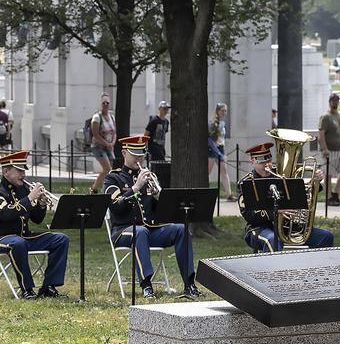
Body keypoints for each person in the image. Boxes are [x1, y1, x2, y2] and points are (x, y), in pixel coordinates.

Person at [103, 135, 200, 299]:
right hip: (123, 230)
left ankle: (189, 284)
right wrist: (135, 188)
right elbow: (116, 207)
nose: (139, 158)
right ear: (124, 153)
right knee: (140, 232)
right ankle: (146, 286)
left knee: (181, 229)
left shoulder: (150, 177)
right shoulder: (113, 178)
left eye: (142, 154)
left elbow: (164, 213)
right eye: (135, 154)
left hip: (151, 229)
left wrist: (158, 197)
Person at [238, 142, 334, 251]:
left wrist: (315, 181)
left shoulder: (280, 175)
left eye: (268, 161)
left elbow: (301, 195)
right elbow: (249, 214)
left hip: (287, 228)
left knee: (326, 237)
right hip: (259, 228)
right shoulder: (246, 183)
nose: (266, 165)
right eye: (261, 162)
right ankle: (274, 268)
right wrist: (276, 211)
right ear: (252, 162)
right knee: (272, 240)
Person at [0, 150, 69, 299]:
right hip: (4, 238)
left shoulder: (23, 189)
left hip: (24, 237)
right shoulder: (1, 191)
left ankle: (49, 287)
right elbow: (5, 214)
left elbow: (36, 219)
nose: (23, 174)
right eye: (19, 171)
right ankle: (27, 289)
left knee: (61, 239)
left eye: (24, 170)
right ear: (5, 171)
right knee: (18, 243)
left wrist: (41, 204)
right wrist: (30, 198)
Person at [319, 93, 340, 207]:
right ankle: (328, 197)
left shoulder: (338, 115)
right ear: (330, 102)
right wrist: (324, 148)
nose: (335, 103)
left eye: (337, 100)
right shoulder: (325, 117)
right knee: (328, 174)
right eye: (333, 101)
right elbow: (321, 133)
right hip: (330, 150)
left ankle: (335, 192)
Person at [89, 92, 116, 194]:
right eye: (103, 103)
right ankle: (94, 190)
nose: (105, 105)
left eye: (107, 103)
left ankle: (106, 189)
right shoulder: (96, 117)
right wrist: (106, 144)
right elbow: (95, 134)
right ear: (100, 104)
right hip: (98, 146)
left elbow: (114, 132)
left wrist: (112, 143)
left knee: (109, 171)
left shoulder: (112, 117)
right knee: (107, 169)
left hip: (109, 146)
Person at [207, 103, 234, 201]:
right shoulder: (212, 123)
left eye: (225, 110)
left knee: (224, 171)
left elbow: (222, 139)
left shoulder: (223, 123)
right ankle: (204, 192)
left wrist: (222, 153)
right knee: (208, 172)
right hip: (212, 149)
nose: (224, 113)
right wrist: (216, 152)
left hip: (221, 149)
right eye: (222, 110)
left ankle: (229, 195)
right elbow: (209, 139)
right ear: (218, 111)